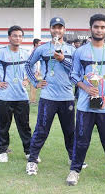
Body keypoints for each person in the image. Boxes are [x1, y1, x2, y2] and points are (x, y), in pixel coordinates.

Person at [66, 13, 105, 186]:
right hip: (85, 105)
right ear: (90, 28)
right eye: (96, 27)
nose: (99, 30)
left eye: (102, 27)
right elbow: (73, 74)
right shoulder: (80, 51)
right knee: (81, 140)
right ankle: (74, 171)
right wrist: (84, 87)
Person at [25, 17, 81, 176]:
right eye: (54, 28)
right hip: (48, 97)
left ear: (64, 30)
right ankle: (32, 161)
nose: (57, 31)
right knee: (41, 130)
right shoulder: (42, 49)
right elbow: (28, 64)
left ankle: (73, 158)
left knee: (70, 131)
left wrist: (63, 60)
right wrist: (36, 83)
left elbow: (77, 70)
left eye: (60, 28)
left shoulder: (72, 50)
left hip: (67, 97)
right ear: (50, 29)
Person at [0, 25, 32, 163]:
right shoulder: (0, 52)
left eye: (20, 36)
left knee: (25, 126)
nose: (17, 38)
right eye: (15, 35)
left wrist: (28, 79)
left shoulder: (26, 53)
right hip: (5, 97)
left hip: (21, 96)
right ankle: (2, 151)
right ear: (9, 37)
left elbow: (33, 69)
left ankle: (29, 152)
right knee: (4, 125)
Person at [29, 38, 41, 104]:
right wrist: (37, 70)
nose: (40, 45)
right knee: (33, 85)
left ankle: (32, 100)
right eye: (39, 43)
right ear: (36, 44)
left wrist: (38, 70)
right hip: (32, 71)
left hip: (35, 70)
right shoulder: (33, 51)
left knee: (33, 86)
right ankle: (32, 100)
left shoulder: (37, 50)